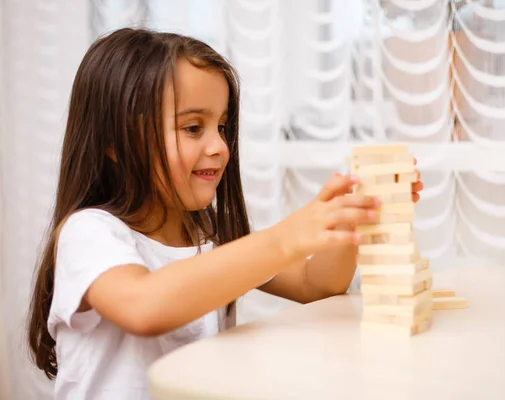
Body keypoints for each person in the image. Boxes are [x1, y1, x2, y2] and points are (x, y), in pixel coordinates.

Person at [26, 28, 423, 399]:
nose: (219, 146)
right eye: (193, 127)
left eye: (222, 125)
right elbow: (144, 306)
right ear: (115, 143)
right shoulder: (90, 234)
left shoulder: (206, 233)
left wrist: (351, 218)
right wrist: (285, 238)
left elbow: (313, 285)